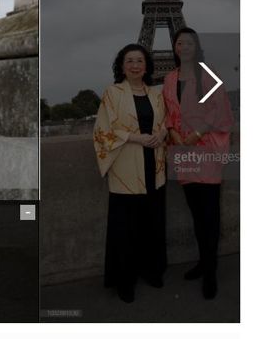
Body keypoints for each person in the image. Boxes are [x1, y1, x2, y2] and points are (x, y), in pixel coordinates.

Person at [93, 44, 168, 303]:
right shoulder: (112, 93)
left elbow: (165, 123)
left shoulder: (156, 94)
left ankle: (151, 270)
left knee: (152, 224)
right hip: (126, 165)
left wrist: (161, 134)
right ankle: (125, 280)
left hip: (154, 166)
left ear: (146, 65)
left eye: (139, 60)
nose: (135, 65)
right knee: (126, 229)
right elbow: (102, 131)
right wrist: (136, 138)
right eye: (130, 61)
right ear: (122, 66)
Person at [162, 28, 232, 299]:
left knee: (210, 214)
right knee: (197, 212)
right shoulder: (170, 78)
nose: (184, 46)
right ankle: (204, 263)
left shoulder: (209, 72)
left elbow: (220, 107)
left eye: (189, 41)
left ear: (196, 46)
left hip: (205, 149)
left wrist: (198, 132)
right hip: (183, 151)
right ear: (175, 48)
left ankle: (211, 270)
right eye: (180, 42)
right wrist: (174, 132)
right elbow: (169, 112)